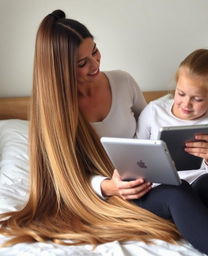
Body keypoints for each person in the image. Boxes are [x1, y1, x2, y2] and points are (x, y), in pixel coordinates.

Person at [0, 9, 181, 248]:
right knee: (181, 200)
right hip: (100, 199)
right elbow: (65, 181)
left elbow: (153, 132)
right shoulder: (55, 115)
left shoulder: (123, 82)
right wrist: (112, 187)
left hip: (149, 182)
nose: (95, 64)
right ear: (60, 70)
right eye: (82, 63)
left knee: (204, 191)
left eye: (94, 50)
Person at [96, 43, 208, 256]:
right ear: (176, 86)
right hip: (157, 193)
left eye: (197, 99)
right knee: (178, 189)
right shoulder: (154, 111)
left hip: (200, 188)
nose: (186, 104)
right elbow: (134, 150)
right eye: (181, 94)